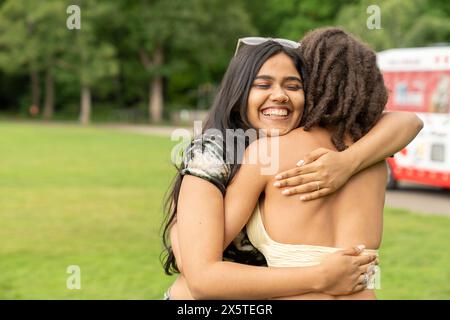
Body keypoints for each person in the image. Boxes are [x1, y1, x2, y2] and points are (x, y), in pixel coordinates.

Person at [162, 33, 423, 299]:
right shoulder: (376, 159)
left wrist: (346, 163)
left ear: (313, 88)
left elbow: (409, 121)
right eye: (263, 85)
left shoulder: (269, 153)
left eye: (294, 86)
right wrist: (180, 215)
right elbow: (200, 273)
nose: (280, 96)